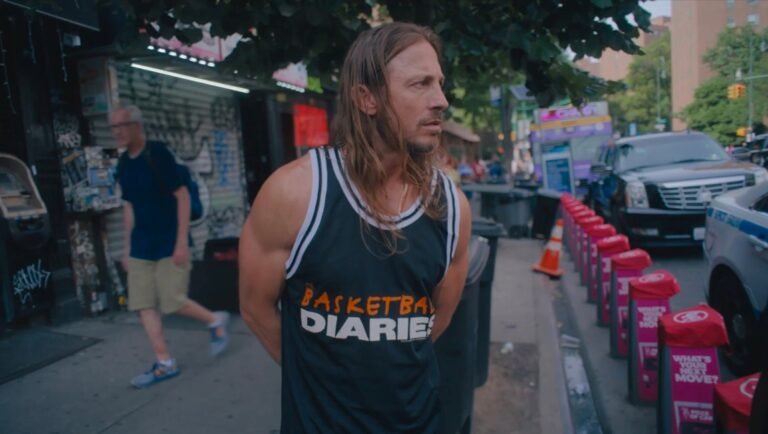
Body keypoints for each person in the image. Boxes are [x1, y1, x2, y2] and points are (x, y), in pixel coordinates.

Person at [239, 22, 471, 433]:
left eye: (439, 83)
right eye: (420, 84)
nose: (441, 100)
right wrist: (317, 383)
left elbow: (438, 319)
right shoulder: (295, 193)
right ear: (367, 98)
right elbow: (256, 308)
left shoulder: (452, 208)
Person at [111, 104, 230, 389]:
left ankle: (215, 320)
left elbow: (183, 197)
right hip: (141, 245)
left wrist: (181, 243)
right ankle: (165, 362)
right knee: (143, 304)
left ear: (137, 125)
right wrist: (126, 248)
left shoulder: (158, 154)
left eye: (122, 125)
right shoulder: (123, 164)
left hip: (169, 242)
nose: (116, 132)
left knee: (172, 301)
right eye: (113, 127)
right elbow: (129, 207)